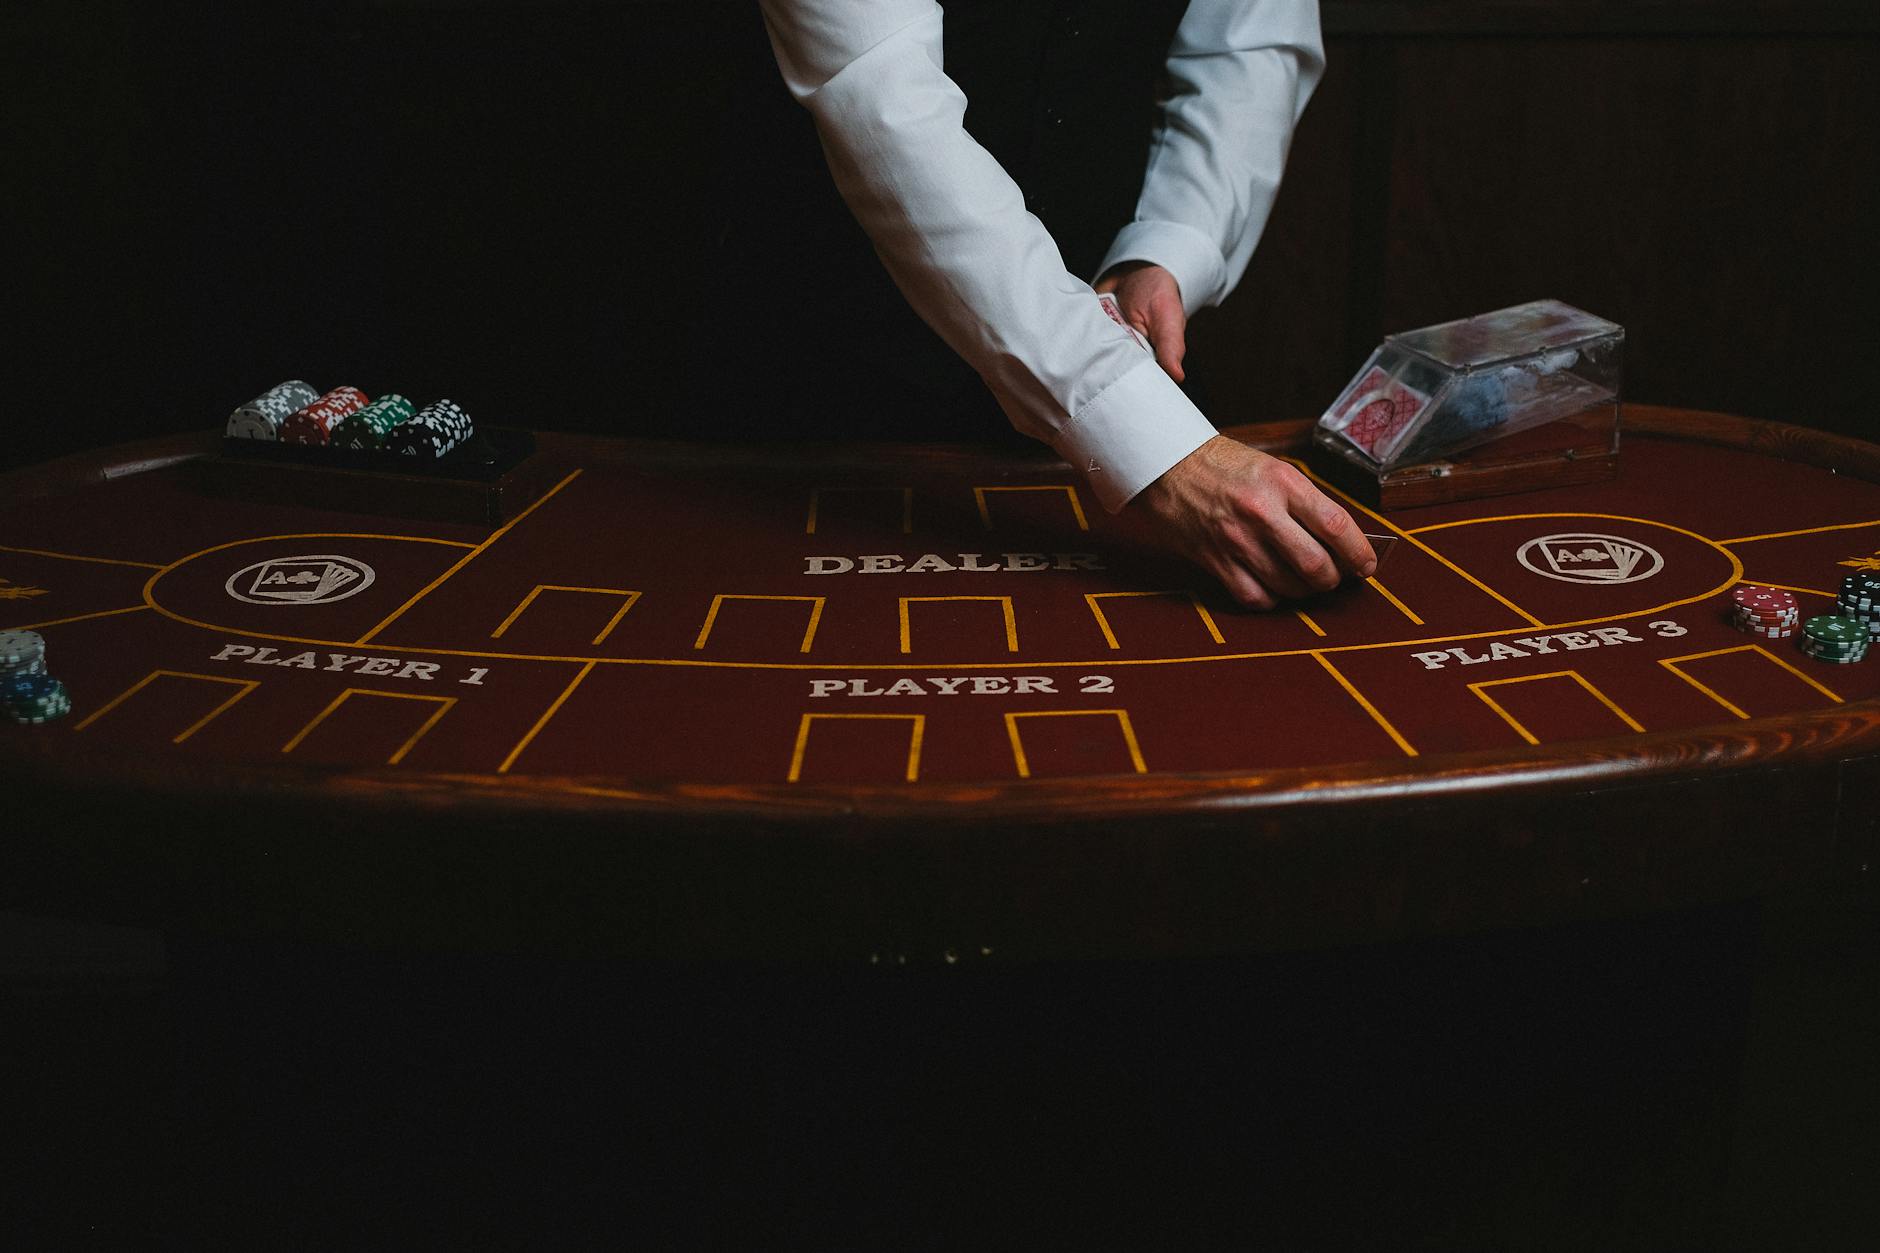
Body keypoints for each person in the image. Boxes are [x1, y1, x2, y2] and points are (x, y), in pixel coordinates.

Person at [757, 0, 1376, 608]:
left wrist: (1167, 246)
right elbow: (881, 95)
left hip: (1106, 320)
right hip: (806, 381)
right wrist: (1159, 449)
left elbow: (1244, 44)